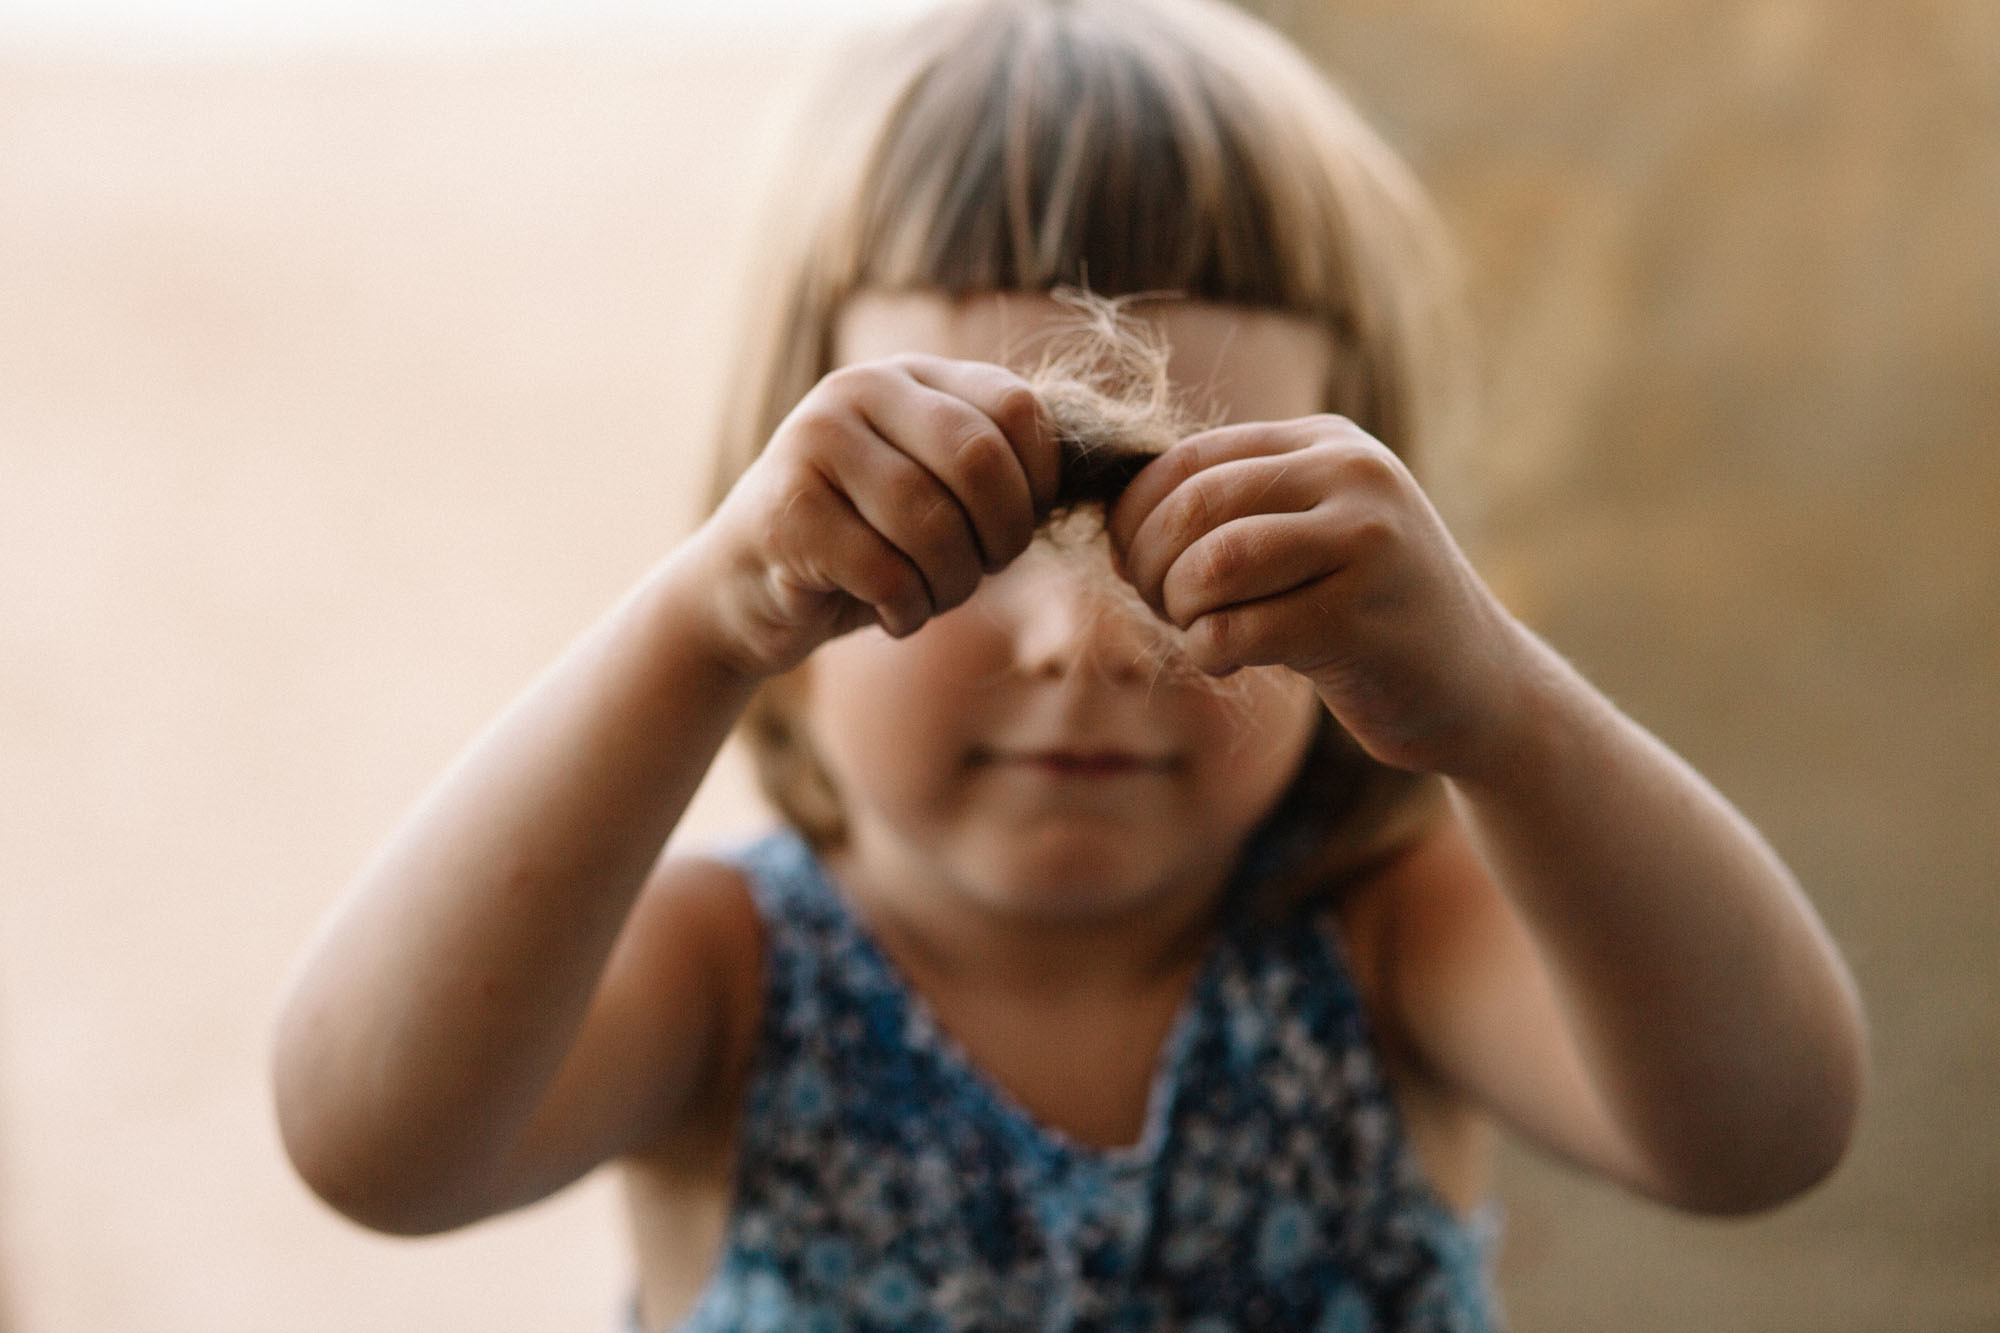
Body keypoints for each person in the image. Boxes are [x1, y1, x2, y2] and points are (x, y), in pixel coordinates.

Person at [270, 1, 1867, 1328]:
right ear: (791, 552)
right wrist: (697, 625)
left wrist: (1501, 713)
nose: (1077, 643)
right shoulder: (725, 982)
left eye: (1192, 543)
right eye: (969, 537)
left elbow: (1764, 1131)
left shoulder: (1390, 946)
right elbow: (369, 1141)